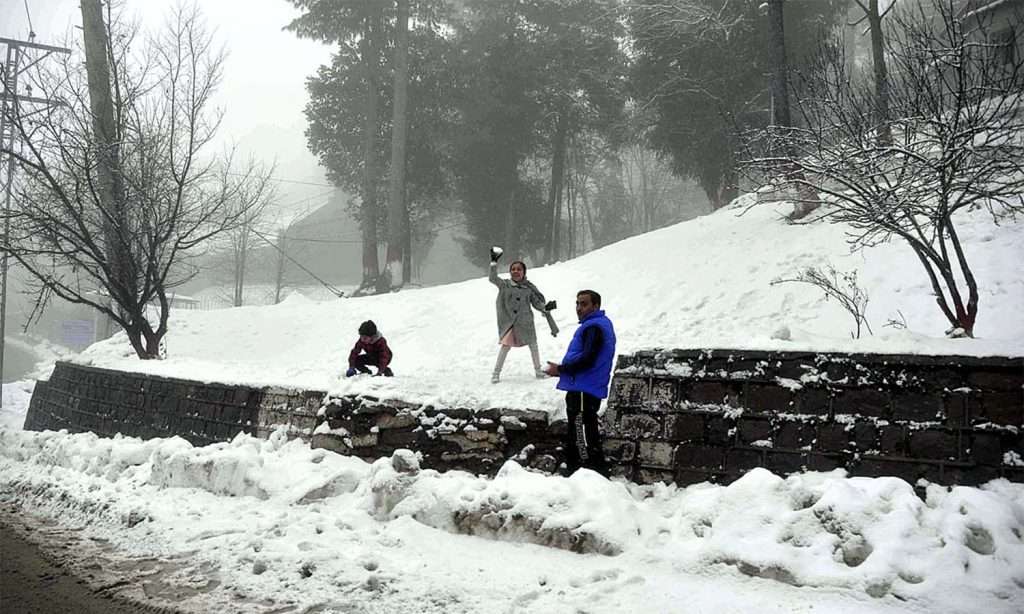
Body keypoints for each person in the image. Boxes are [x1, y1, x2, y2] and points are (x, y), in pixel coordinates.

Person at [543, 290, 615, 477]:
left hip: (584, 388)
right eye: (577, 303)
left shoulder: (594, 327)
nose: (579, 308)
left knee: (581, 431)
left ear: (596, 306)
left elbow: (588, 359)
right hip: (585, 387)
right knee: (583, 429)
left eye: (584, 304)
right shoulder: (596, 325)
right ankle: (587, 470)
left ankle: (585, 472)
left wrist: (560, 370)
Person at [488, 247, 559, 383]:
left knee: (533, 345)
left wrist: (545, 307)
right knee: (505, 347)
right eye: (513, 269)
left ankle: (538, 371)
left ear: (524, 272)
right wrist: (493, 262)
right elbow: (492, 278)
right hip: (510, 322)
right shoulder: (504, 285)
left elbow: (537, 303)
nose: (515, 271)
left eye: (519, 269)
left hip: (525, 322)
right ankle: (496, 373)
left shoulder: (528, 288)